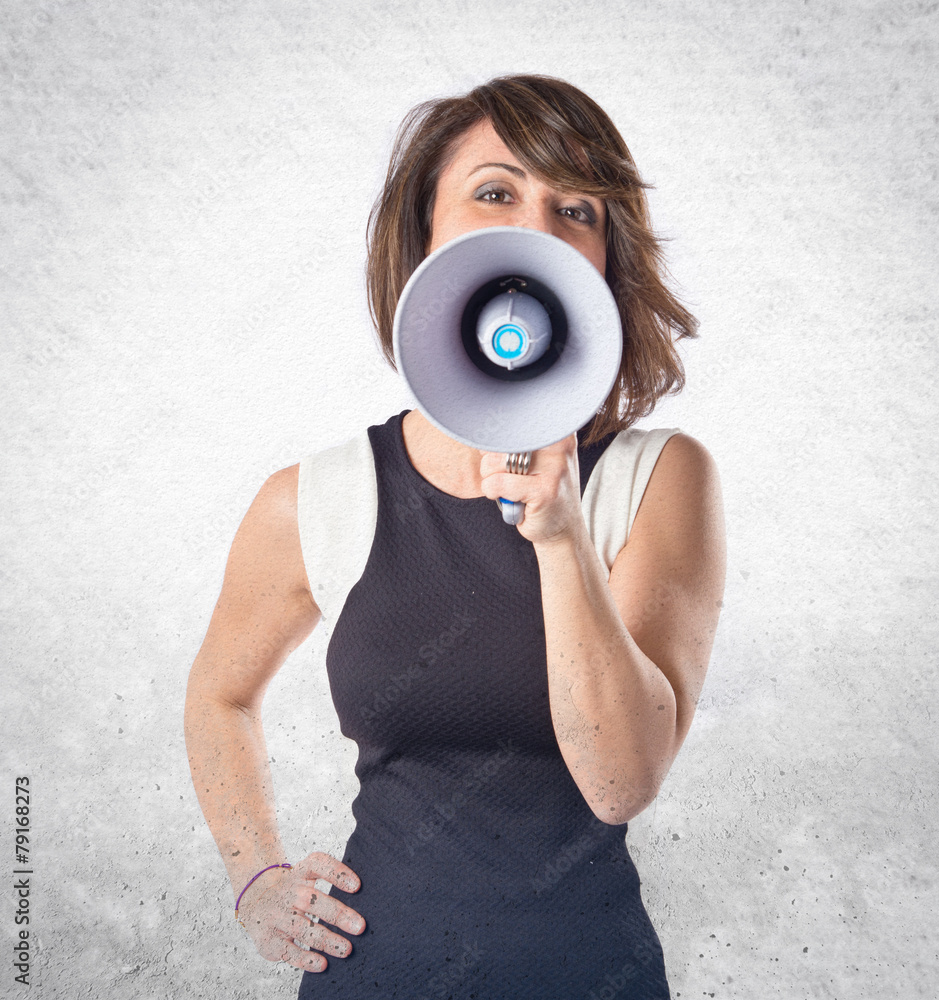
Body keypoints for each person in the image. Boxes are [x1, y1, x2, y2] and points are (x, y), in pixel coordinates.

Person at [184, 74, 726, 998]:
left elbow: (621, 784)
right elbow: (218, 695)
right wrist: (256, 876)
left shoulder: (658, 480)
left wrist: (561, 540)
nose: (537, 227)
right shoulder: (321, 497)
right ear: (423, 234)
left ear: (606, 260)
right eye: (495, 192)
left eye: (577, 209)